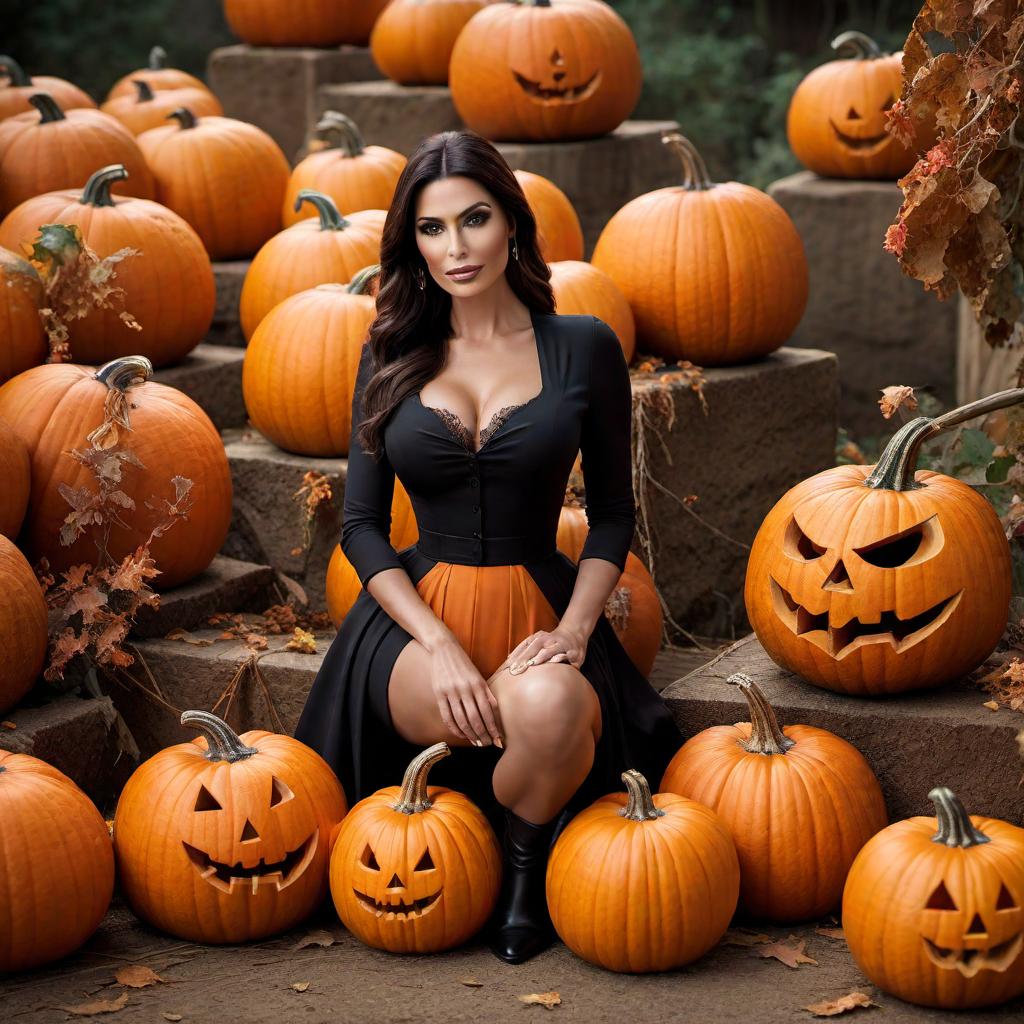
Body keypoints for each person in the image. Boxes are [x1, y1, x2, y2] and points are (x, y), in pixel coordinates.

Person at [295, 129, 682, 964]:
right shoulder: (389, 350)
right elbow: (361, 523)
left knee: (543, 707)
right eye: (432, 229)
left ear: (512, 222)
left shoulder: (583, 346)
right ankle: (465, 831)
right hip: (411, 627)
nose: (456, 247)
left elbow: (613, 513)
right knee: (510, 718)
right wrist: (433, 643)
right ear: (413, 244)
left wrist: (576, 633)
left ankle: (520, 877)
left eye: (474, 220)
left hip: (541, 606)